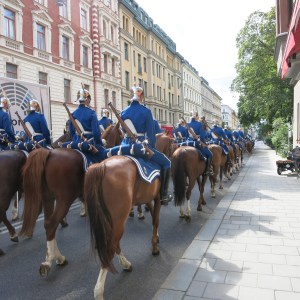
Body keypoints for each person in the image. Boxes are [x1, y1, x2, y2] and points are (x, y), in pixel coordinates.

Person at [120, 85, 171, 203]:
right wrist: (151, 147)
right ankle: (163, 195)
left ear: (130, 96)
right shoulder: (146, 111)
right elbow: (151, 136)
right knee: (167, 163)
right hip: (140, 147)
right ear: (141, 97)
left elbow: (123, 131)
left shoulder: (123, 112)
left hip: (124, 146)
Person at [68, 88, 105, 162]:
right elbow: (96, 133)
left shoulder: (73, 114)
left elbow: (71, 132)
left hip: (76, 143)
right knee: (104, 156)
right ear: (87, 100)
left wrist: (76, 140)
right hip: (89, 142)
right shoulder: (91, 113)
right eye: (89, 100)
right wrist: (100, 143)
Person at [183, 111, 213, 176]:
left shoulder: (187, 124)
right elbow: (202, 136)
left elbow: (186, 136)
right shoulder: (199, 124)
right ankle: (207, 170)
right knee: (210, 155)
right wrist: (204, 143)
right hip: (197, 143)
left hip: (188, 142)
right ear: (196, 117)